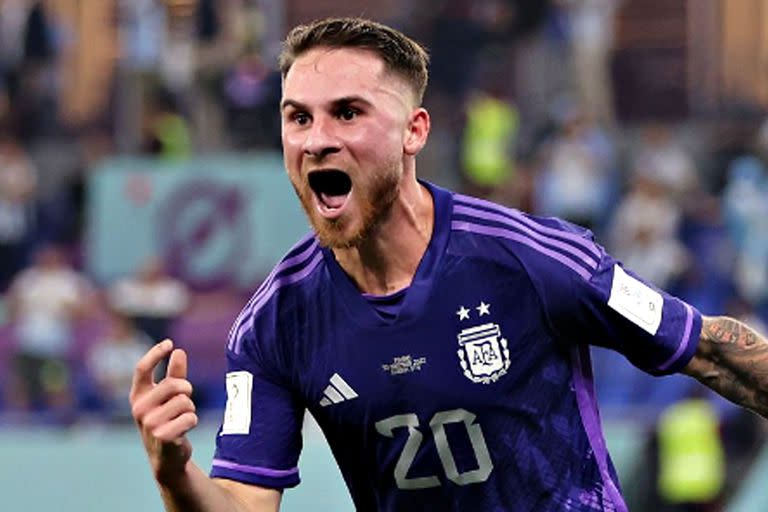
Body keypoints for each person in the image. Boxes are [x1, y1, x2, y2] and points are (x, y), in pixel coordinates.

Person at [130, 17, 768, 512]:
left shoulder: (531, 260)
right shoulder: (275, 324)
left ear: (414, 131)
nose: (316, 138)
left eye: (347, 112)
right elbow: (241, 503)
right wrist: (173, 472)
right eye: (298, 117)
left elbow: (709, 350)